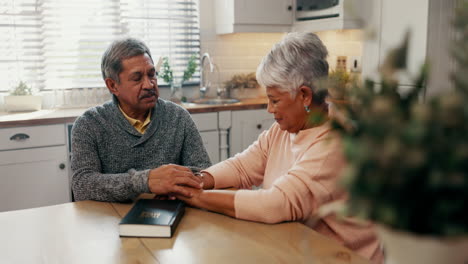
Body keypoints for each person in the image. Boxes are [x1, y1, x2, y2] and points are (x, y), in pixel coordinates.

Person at [176, 32, 383, 263]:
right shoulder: (286, 129)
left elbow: (277, 204)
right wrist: (198, 180)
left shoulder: (335, 143)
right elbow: (243, 166)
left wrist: (195, 196)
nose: (269, 109)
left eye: (275, 100)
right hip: (299, 247)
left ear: (304, 95)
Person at [71, 38, 211, 202]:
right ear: (112, 86)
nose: (149, 84)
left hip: (170, 215)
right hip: (109, 221)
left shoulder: (178, 117)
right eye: (137, 78)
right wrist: (145, 181)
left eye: (152, 75)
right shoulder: (89, 124)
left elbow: (204, 172)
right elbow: (82, 185)